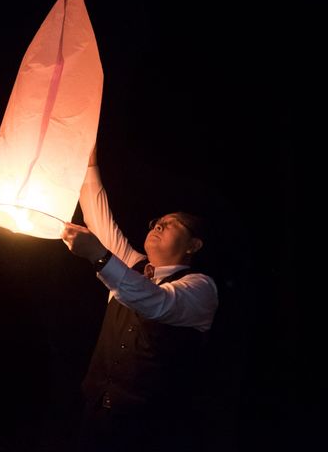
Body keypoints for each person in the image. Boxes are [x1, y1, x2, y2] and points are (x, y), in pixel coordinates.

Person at [60, 144, 219, 452]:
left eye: (172, 224)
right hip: (96, 420)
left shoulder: (201, 288)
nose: (159, 224)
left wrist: (99, 256)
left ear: (194, 245)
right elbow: (97, 214)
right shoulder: (131, 267)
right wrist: (88, 161)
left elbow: (157, 302)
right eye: (157, 221)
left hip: (152, 432)